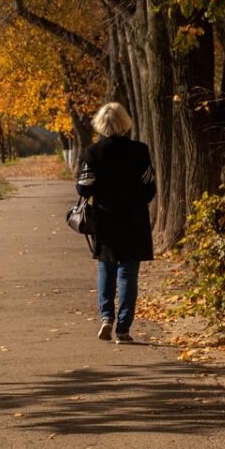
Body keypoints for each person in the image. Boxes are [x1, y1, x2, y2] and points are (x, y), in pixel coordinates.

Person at [77, 102, 156, 344]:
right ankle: (123, 329)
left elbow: (83, 186)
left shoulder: (93, 152)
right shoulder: (140, 151)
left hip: (105, 219)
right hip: (134, 220)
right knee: (128, 274)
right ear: (125, 122)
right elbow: (150, 186)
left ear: (101, 124)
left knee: (106, 269)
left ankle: (106, 318)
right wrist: (136, 202)